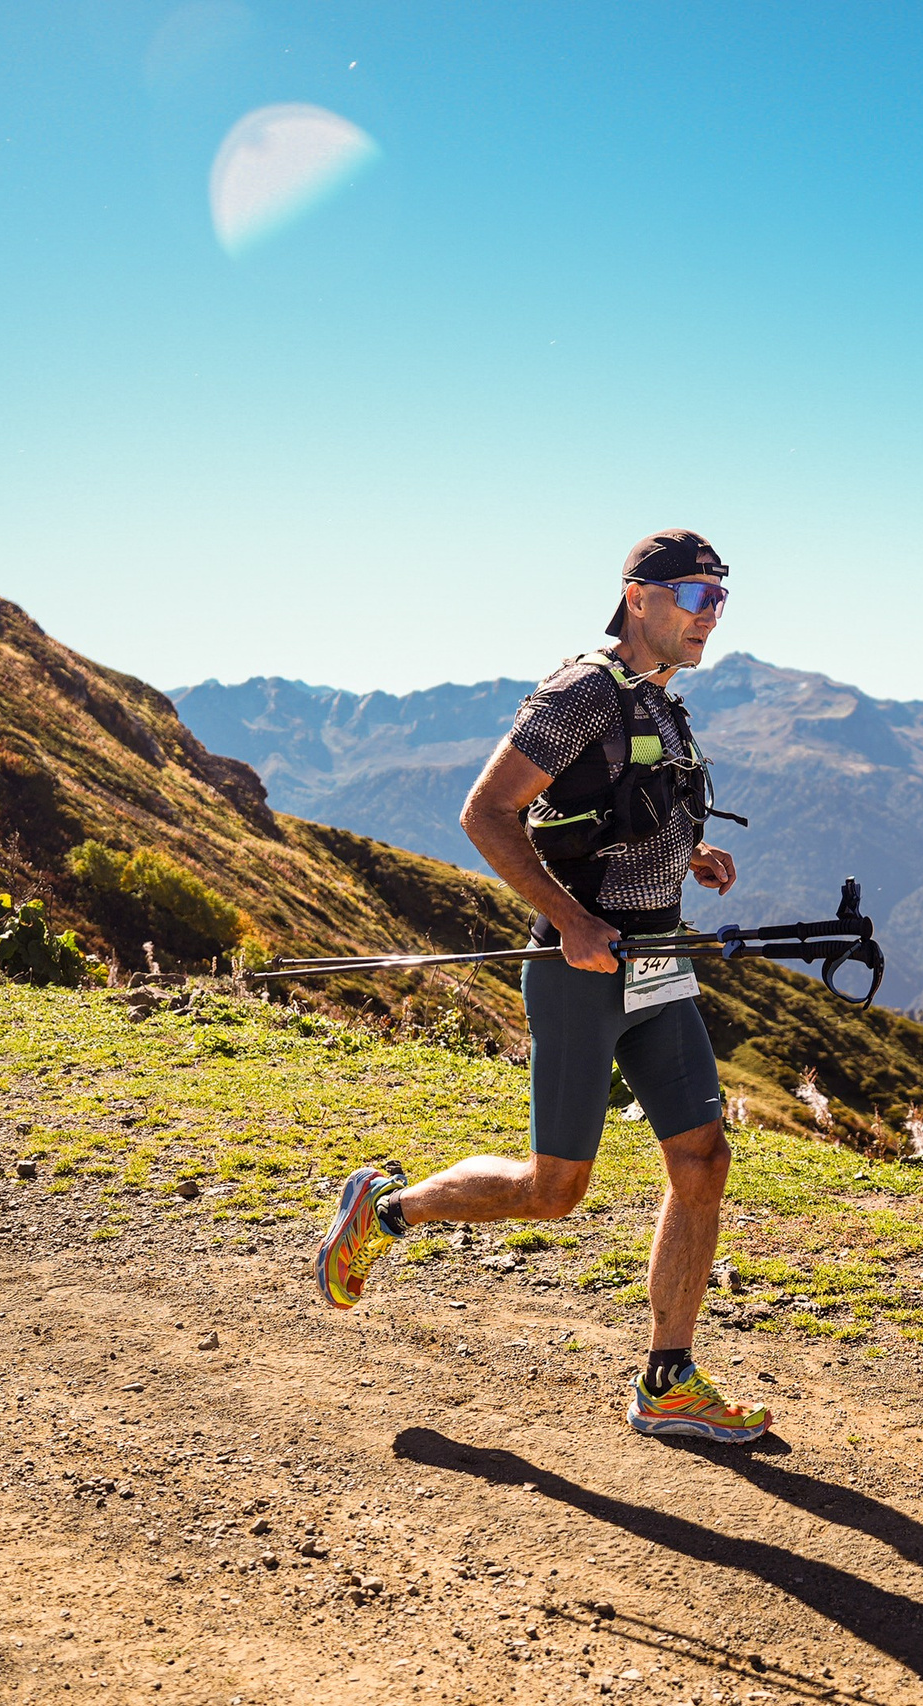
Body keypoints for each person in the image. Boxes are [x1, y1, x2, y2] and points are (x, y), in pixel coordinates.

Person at [315, 529, 770, 1444]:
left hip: (656, 955)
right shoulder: (583, 691)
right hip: (579, 967)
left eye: (722, 597)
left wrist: (689, 852)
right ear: (636, 595)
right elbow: (486, 813)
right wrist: (568, 921)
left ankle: (667, 1379)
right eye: (693, 594)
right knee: (554, 1189)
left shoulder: (661, 701)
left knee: (703, 1159)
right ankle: (387, 1209)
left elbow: (616, 810)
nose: (709, 615)